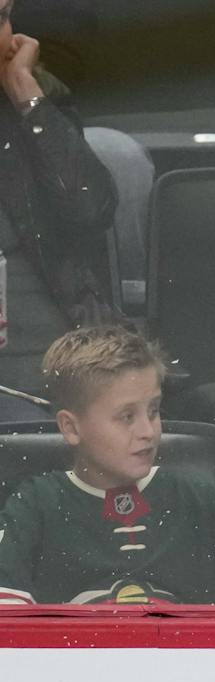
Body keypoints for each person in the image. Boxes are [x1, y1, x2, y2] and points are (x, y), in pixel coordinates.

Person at [0, 325, 215, 604]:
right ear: (71, 428)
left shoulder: (202, 495)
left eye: (153, 411)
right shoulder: (36, 505)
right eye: (126, 417)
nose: (148, 431)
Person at [0, 0, 114, 417]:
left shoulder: (32, 96)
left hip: (45, 355)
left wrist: (26, 94)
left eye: (2, 17)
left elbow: (90, 210)